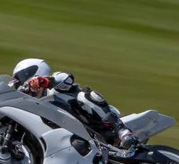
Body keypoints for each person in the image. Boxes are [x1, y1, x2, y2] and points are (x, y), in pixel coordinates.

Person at [9, 58, 137, 149]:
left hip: (96, 122)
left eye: (21, 79)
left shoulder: (54, 85)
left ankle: (123, 131)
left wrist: (44, 81)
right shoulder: (33, 106)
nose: (20, 85)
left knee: (86, 95)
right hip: (78, 139)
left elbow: (67, 78)